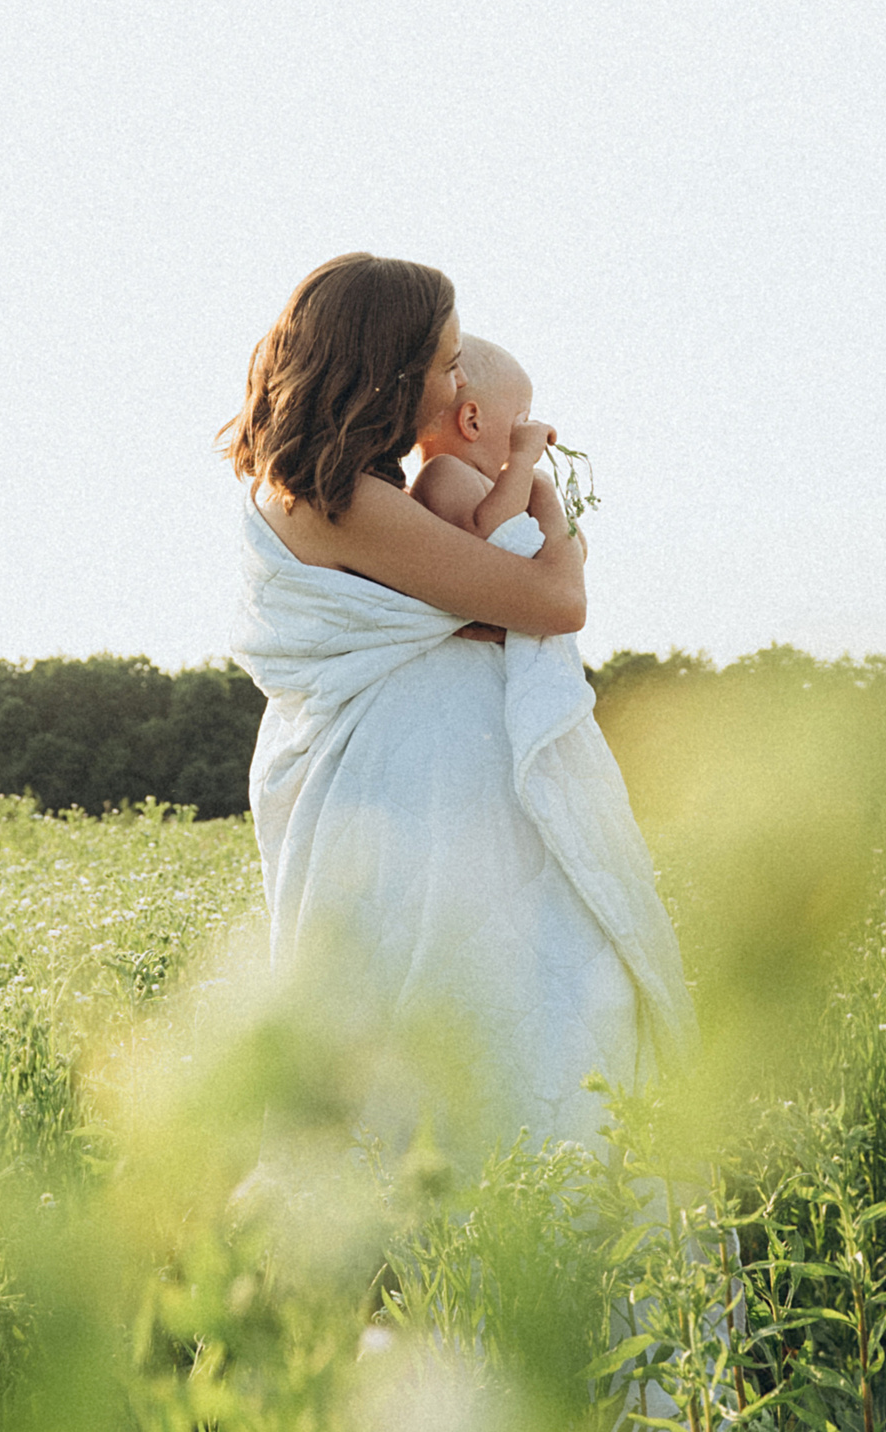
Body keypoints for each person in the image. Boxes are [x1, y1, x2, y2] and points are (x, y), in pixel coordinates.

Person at [224, 254, 693, 1158]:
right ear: (385, 371)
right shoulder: (344, 503)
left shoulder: (360, 496)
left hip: (413, 805)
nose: (453, 385)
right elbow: (554, 603)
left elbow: (474, 606)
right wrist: (549, 504)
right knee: (494, 1038)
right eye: (442, 365)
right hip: (412, 817)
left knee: (508, 1028)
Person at [409, 334, 552, 544]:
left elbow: (573, 550)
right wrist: (521, 457)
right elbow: (486, 537)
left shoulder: (498, 495)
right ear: (472, 422)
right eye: (522, 421)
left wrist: (543, 497)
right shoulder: (444, 471)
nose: (528, 432)